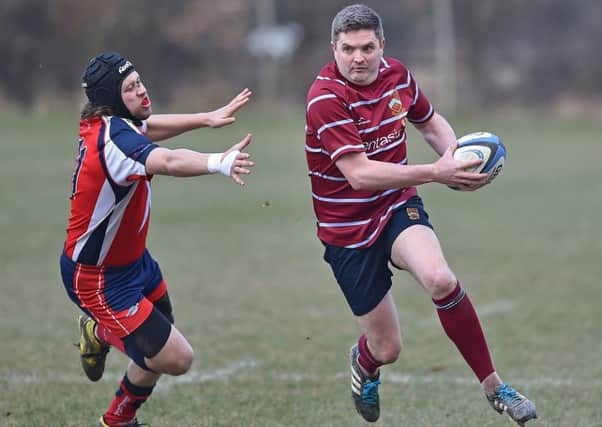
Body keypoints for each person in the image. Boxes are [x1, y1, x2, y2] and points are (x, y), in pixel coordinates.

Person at [304, 4, 537, 425]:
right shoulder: (325, 98)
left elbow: (429, 123)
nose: (358, 57)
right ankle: (364, 362)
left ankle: (495, 387)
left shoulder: (398, 76)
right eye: (348, 49)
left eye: (367, 47)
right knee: (387, 348)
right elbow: (359, 174)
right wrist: (435, 171)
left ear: (382, 46)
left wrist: (455, 159)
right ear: (333, 49)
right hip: (346, 232)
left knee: (440, 278)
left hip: (396, 205)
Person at [60, 52, 254, 427]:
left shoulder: (113, 124)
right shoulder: (115, 142)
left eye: (139, 80)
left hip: (133, 263)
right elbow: (166, 161)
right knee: (174, 358)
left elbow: (149, 128)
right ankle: (98, 334)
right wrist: (218, 162)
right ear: (114, 100)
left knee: (160, 331)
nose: (142, 91)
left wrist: (207, 118)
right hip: (97, 278)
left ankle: (119, 420)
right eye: (130, 88)